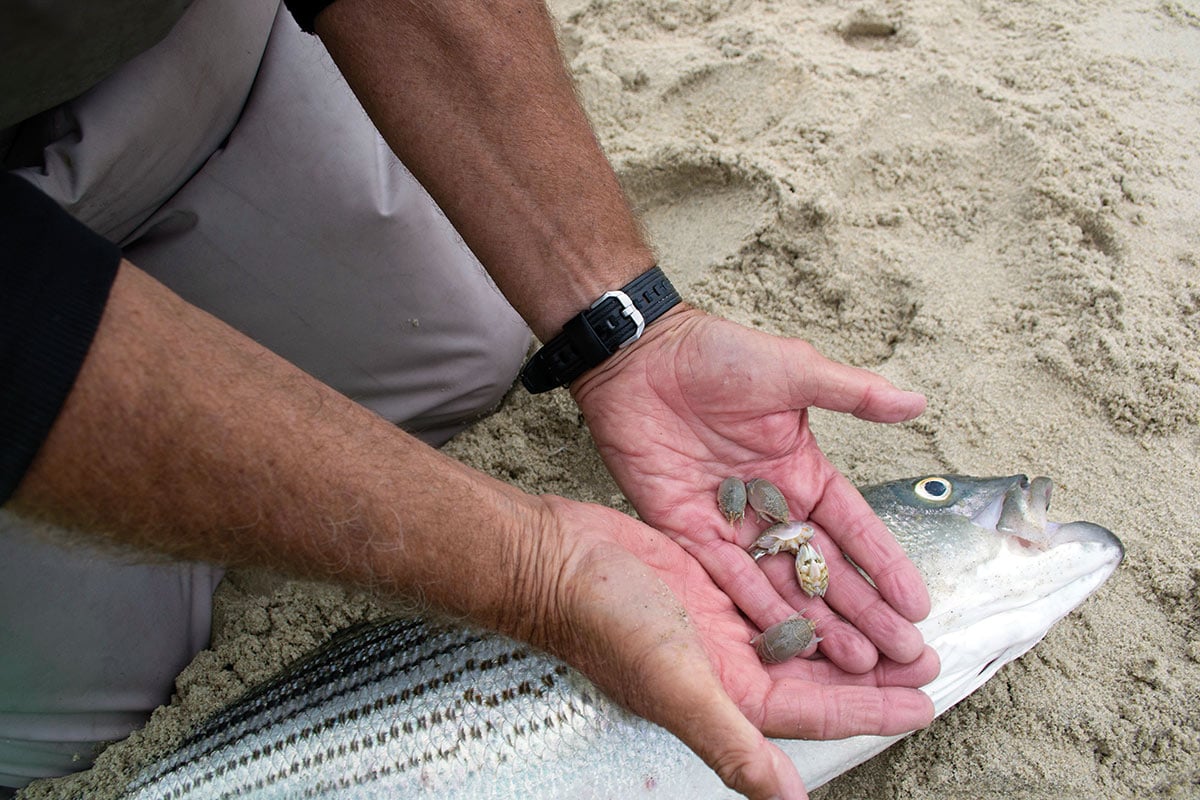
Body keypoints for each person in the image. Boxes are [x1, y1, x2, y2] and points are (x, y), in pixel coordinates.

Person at [0, 1, 940, 797]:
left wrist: (627, 330)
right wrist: (532, 567)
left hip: (162, 62)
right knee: (69, 720)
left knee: (466, 344)